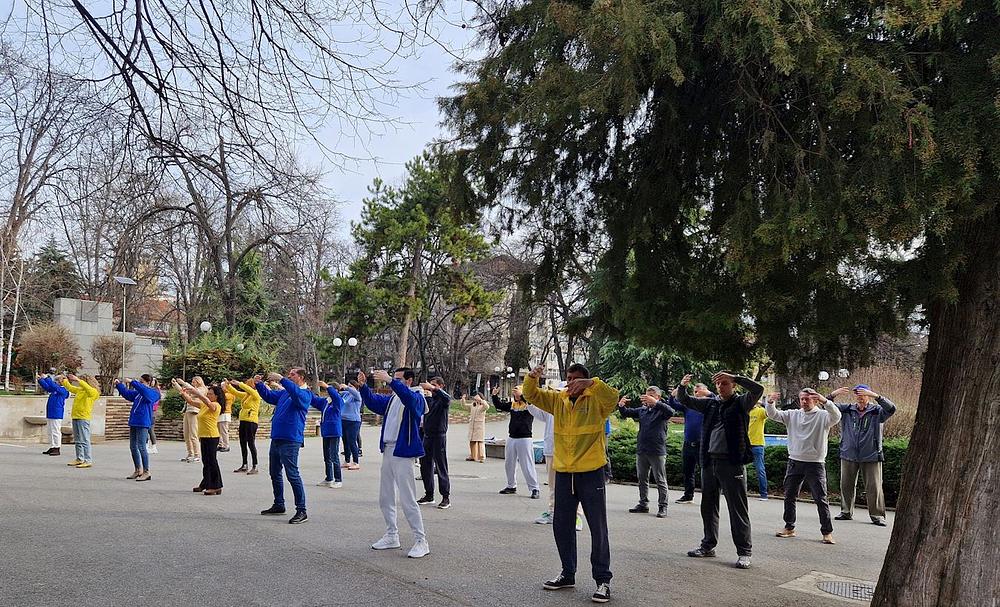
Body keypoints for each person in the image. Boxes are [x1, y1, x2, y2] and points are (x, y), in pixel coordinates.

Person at [523, 363, 619, 604]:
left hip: (591, 471)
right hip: (565, 471)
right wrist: (532, 378)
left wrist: (592, 384)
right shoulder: (559, 400)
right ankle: (568, 573)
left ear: (585, 381)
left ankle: (602, 580)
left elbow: (613, 397)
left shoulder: (597, 400)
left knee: (598, 528)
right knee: (561, 525)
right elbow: (532, 395)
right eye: (568, 378)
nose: (571, 382)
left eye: (576, 379)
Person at [677, 371, 763, 569]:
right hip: (709, 462)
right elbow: (684, 399)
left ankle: (744, 552)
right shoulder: (710, 404)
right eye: (718, 385)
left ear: (732, 386)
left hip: (732, 463)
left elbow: (758, 389)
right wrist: (682, 386)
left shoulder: (742, 403)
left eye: (725, 384)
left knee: (737, 508)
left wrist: (736, 377)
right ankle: (708, 545)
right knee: (708, 506)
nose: (721, 387)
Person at [359, 368, 430, 558]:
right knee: (386, 496)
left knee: (408, 499)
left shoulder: (416, 397)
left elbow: (408, 399)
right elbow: (374, 403)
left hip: (403, 452)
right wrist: (364, 386)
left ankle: (421, 540)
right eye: (393, 378)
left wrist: (390, 380)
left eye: (398, 379)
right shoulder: (393, 399)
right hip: (389, 450)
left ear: (409, 380)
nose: (393, 382)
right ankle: (392, 534)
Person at [766, 388, 841, 544]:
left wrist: (826, 401)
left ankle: (827, 532)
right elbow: (773, 415)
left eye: (808, 399)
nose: (805, 401)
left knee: (821, 498)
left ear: (815, 400)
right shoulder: (793, 414)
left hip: (815, 463)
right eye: (802, 399)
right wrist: (770, 403)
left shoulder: (823, 416)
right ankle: (789, 527)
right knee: (789, 496)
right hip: (794, 460)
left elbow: (837, 416)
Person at [828, 384, 897, 526]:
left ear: (868, 395)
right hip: (848, 453)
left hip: (871, 454)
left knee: (874, 486)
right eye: (858, 395)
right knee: (846, 485)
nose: (860, 397)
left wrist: (877, 396)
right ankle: (846, 511)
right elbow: (826, 407)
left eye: (863, 394)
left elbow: (892, 408)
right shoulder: (847, 410)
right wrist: (833, 395)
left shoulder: (877, 411)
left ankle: (877, 515)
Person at [256, 369, 313, 524]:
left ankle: (302, 510)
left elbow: (297, 395)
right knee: (274, 472)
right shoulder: (285, 393)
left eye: (292, 374)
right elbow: (269, 396)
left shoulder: (305, 394)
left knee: (292, 474)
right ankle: (279, 504)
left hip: (291, 439)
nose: (289, 376)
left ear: (301, 377)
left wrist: (281, 380)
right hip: (277, 437)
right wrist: (259, 384)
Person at [527, 399, 585, 531]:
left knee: (572, 485)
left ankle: (576, 515)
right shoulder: (552, 406)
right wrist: (528, 402)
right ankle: (553, 511)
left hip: (569, 450)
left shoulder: (575, 407)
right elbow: (538, 413)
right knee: (553, 484)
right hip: (551, 449)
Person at [618, 386, 676, 518]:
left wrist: (656, 403)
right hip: (642, 450)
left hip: (657, 451)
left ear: (658, 397)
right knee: (642, 479)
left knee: (660, 480)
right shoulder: (643, 410)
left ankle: (663, 507)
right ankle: (643, 504)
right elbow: (627, 412)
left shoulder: (662, 410)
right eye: (646, 396)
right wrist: (621, 406)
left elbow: (671, 412)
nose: (648, 398)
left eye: (652, 396)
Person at [175, 379, 225, 495]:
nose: (208, 395)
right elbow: (191, 402)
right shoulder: (204, 405)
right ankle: (206, 483)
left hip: (212, 436)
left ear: (217, 396)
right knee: (206, 461)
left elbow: (208, 402)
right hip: (204, 436)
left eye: (211, 394)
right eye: (208, 393)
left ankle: (216, 485)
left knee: (212, 461)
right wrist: (182, 392)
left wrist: (197, 393)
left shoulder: (216, 406)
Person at [492, 384, 541, 499]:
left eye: (517, 393)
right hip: (512, 437)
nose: (515, 395)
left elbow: (530, 401)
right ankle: (511, 485)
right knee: (509, 463)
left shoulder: (529, 405)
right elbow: (499, 406)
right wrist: (494, 396)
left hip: (525, 438)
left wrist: (522, 395)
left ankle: (534, 488)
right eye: (514, 394)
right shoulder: (513, 405)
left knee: (527, 464)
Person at [116, 375, 160, 482]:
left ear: (148, 382)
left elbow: (147, 394)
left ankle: (146, 471)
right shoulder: (138, 394)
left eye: (142, 382)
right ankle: (137, 469)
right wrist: (119, 385)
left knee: (142, 446)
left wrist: (133, 382)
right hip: (134, 421)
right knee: (133, 447)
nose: (139, 384)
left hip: (143, 422)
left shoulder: (153, 393)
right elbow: (127, 394)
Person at [669, 383, 708, 503]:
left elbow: (717, 399)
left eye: (699, 390)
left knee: (705, 472)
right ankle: (688, 495)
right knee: (687, 471)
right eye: (695, 391)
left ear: (706, 391)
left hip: (702, 443)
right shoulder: (689, 405)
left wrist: (708, 395)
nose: (697, 392)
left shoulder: (709, 404)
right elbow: (673, 405)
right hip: (688, 442)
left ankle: (708, 497)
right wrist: (672, 395)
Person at [417, 376, 452, 509]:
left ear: (440, 386)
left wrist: (432, 388)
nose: (429, 388)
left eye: (433, 385)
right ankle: (429, 494)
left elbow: (447, 399)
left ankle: (445, 497)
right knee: (425, 465)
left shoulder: (443, 400)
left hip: (439, 436)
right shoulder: (429, 399)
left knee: (441, 465)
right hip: (427, 435)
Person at [62, 374, 99, 468]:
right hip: (76, 416)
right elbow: (70, 388)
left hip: (83, 417)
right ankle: (79, 458)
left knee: (85, 439)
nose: (79, 383)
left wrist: (78, 380)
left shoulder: (93, 392)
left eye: (82, 381)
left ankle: (88, 459)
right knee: (78, 440)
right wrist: (65, 380)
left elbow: (89, 390)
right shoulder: (80, 390)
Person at [313, 381, 345, 488]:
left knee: (334, 455)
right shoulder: (326, 402)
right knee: (326, 456)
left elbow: (336, 397)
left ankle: (338, 479)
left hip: (334, 431)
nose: (327, 392)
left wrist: (327, 386)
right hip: (326, 431)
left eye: (328, 390)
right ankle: (329, 478)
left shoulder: (338, 401)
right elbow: (314, 400)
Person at [227, 379, 261, 474]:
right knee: (242, 443)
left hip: (251, 421)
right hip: (243, 420)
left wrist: (239, 384)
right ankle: (244, 464)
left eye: (247, 385)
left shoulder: (256, 394)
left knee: (251, 443)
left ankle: (255, 465)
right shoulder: (247, 395)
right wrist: (228, 385)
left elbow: (249, 390)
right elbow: (236, 392)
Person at [37, 374, 68, 456]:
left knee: (55, 431)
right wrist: (41, 380)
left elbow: (53, 386)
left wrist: (47, 378)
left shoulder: (63, 390)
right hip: (51, 412)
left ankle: (57, 447)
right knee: (50, 431)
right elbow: (47, 387)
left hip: (57, 413)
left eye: (57, 381)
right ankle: (52, 446)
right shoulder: (55, 390)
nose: (55, 382)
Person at [340, 375, 364, 470]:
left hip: (353, 421)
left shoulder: (357, 396)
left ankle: (356, 461)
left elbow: (354, 392)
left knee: (352, 441)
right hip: (343, 420)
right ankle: (347, 460)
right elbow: (339, 394)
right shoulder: (346, 395)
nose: (349, 387)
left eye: (351, 386)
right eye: (348, 385)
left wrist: (347, 387)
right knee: (345, 441)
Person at [180, 376, 205, 463]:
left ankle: (197, 454)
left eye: (194, 382)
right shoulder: (192, 389)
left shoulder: (202, 389)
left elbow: (196, 393)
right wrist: (176, 385)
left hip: (195, 412)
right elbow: (185, 393)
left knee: (193, 434)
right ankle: (190, 453)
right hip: (188, 411)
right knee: (186, 434)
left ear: (198, 382)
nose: (192, 383)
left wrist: (183, 383)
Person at [748, 398, 769, 501]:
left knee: (760, 469)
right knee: (737, 469)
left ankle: (764, 494)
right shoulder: (745, 411)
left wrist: (762, 403)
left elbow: (770, 412)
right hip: (745, 444)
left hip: (757, 444)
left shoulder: (760, 411)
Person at [461, 392, 489, 462]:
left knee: (480, 441)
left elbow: (487, 406)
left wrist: (480, 400)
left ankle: (482, 457)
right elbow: (464, 406)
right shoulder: (473, 405)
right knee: (472, 441)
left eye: (477, 396)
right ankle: (473, 456)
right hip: (472, 426)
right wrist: (463, 399)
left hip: (479, 426)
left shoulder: (482, 405)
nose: (475, 397)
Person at [217, 384, 233, 453]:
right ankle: (221, 444)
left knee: (224, 430)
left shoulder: (229, 394)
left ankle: (226, 445)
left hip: (225, 413)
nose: (221, 387)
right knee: (219, 430)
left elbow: (221, 397)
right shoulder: (224, 394)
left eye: (222, 386)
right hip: (221, 413)